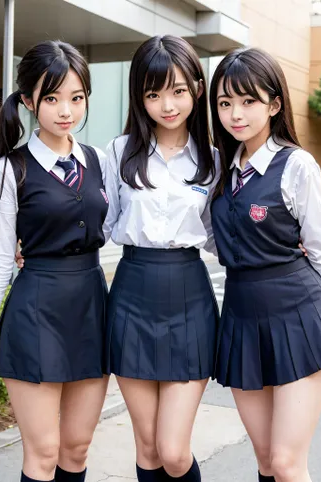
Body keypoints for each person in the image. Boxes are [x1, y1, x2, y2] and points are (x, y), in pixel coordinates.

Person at [209, 47, 321, 482]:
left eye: (248, 101)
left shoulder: (296, 165)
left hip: (298, 313)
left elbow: (319, 249)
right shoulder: (221, 166)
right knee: (263, 460)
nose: (235, 114)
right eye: (225, 103)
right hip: (241, 315)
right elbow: (206, 234)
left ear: (274, 104)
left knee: (286, 463)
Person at [0, 40, 110, 482]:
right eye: (51, 98)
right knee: (45, 451)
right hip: (36, 312)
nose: (65, 110)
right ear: (29, 101)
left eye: (76, 97)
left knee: (76, 448)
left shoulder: (98, 160)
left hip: (91, 308)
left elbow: (132, 223)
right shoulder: (12, 169)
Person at [103, 35, 220, 482]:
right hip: (132, 293)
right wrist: (37, 243)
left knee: (174, 451)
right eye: (152, 94)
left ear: (196, 87)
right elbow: (100, 222)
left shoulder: (213, 159)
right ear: (140, 98)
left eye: (176, 90)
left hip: (189, 297)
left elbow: (220, 236)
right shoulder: (119, 152)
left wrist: (288, 248)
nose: (166, 105)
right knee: (148, 447)